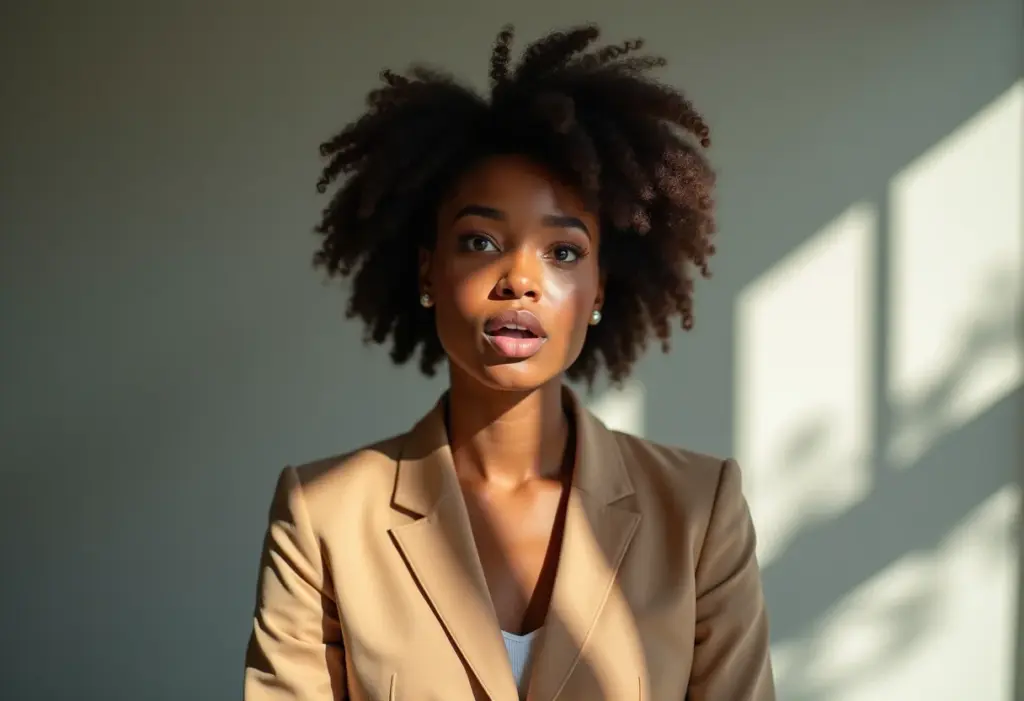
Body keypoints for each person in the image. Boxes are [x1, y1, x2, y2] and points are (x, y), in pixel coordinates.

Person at [243, 23, 775, 701]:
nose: (520, 279)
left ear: (599, 291)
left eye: (562, 252)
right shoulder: (322, 514)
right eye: (480, 240)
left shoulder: (700, 511)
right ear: (429, 271)